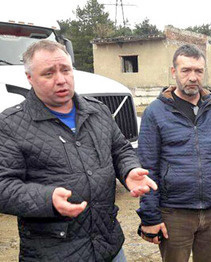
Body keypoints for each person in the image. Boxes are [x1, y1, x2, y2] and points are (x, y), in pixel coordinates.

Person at [0, 40, 157, 261]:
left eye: (66, 70)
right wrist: (47, 199)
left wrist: (129, 170)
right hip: (54, 252)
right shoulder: (10, 124)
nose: (61, 79)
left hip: (107, 245)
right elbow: (3, 186)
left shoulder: (99, 112)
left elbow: (121, 150)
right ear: (29, 78)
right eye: (48, 73)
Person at [136, 44, 211, 262]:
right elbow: (147, 167)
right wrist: (150, 216)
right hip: (174, 212)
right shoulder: (155, 112)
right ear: (174, 72)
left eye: (198, 71)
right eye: (186, 70)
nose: (193, 77)